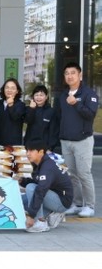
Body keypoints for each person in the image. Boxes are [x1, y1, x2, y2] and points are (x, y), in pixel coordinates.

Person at [55, 62, 98, 218]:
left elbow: (91, 114)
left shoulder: (89, 94)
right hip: (66, 141)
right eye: (67, 73)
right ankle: (77, 204)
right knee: (71, 175)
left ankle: (90, 206)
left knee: (84, 174)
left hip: (83, 140)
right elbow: (59, 117)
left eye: (73, 73)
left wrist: (76, 104)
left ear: (80, 75)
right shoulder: (63, 95)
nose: (69, 76)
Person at [19, 139, 73, 233]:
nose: (28, 154)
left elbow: (40, 190)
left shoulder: (47, 167)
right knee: (22, 201)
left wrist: (31, 216)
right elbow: (38, 181)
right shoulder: (39, 163)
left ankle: (41, 222)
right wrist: (22, 181)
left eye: (31, 151)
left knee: (31, 188)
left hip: (62, 201)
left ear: (41, 152)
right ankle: (52, 214)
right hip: (52, 195)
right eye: (27, 150)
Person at [23, 84, 59, 153]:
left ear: (46, 97)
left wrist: (50, 147)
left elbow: (53, 132)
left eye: (41, 95)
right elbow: (27, 120)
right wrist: (31, 109)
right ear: (33, 97)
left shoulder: (51, 112)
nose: (38, 97)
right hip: (29, 146)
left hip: (44, 148)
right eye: (36, 95)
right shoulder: (29, 109)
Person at [0, 78, 26, 146]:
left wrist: (11, 105)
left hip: (14, 145)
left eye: (13, 88)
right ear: (3, 89)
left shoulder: (20, 105)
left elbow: (15, 117)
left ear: (17, 91)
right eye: (7, 87)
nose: (9, 90)